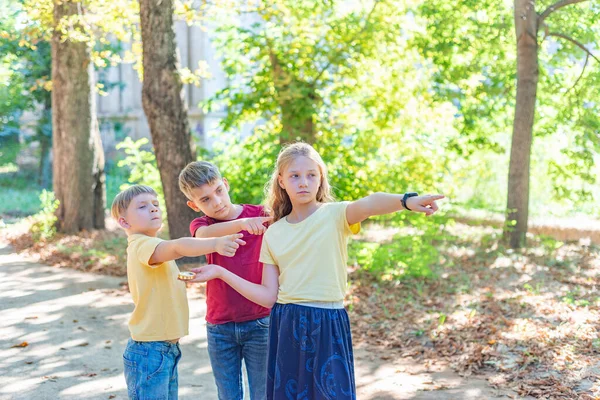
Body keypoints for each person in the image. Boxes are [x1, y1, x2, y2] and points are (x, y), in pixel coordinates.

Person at [188, 142, 444, 399]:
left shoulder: (335, 215)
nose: (303, 182)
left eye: (311, 175)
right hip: (286, 323)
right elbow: (268, 296)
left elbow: (369, 203)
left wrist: (407, 201)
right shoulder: (274, 232)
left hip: (328, 320)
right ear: (281, 181)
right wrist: (221, 273)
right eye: (295, 176)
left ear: (321, 178)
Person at [111, 184, 245, 400]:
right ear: (124, 222)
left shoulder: (153, 247)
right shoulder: (141, 244)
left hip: (165, 348)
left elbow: (160, 282)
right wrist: (215, 243)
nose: (153, 209)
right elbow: (178, 247)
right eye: (143, 207)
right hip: (150, 350)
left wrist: (185, 278)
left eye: (155, 204)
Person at [178, 161, 272, 400]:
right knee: (228, 395)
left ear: (226, 184)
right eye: (205, 199)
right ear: (193, 205)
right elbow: (201, 237)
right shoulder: (203, 225)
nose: (217, 202)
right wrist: (240, 225)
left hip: (261, 321)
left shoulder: (260, 215)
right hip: (220, 326)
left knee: (263, 393)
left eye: (218, 191)